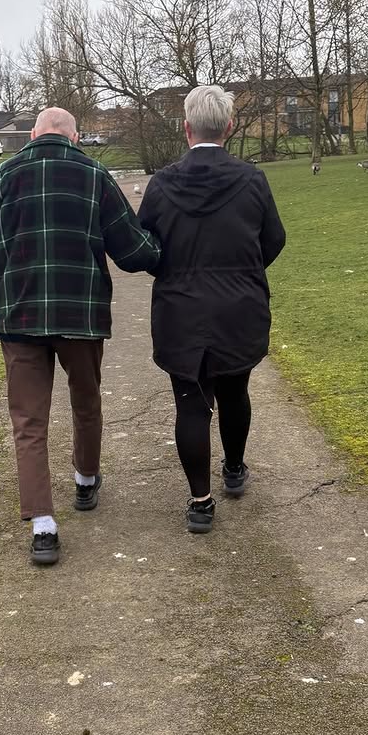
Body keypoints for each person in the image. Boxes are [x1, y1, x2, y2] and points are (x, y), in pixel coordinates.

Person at [0, 107, 160, 566]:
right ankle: (86, 480)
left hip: (19, 317)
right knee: (86, 399)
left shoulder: (2, 176)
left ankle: (43, 525)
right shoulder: (95, 175)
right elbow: (132, 251)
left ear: (33, 135)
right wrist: (167, 249)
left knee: (28, 421)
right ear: (74, 137)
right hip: (81, 316)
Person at [139, 85, 286, 534]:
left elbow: (144, 246)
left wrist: (173, 269)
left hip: (181, 309)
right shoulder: (251, 180)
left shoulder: (162, 184)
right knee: (234, 389)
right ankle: (235, 468)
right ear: (230, 126)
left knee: (190, 401)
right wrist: (243, 271)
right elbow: (274, 239)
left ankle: (200, 501)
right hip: (237, 306)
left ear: (186, 128)